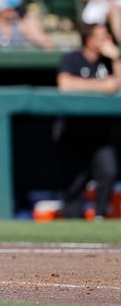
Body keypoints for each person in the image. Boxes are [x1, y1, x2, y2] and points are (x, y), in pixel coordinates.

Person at [55, 23, 120, 219]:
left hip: (100, 133)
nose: (106, 40)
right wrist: (102, 86)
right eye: (102, 37)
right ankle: (72, 219)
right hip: (73, 131)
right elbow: (65, 84)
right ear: (89, 40)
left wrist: (116, 57)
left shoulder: (108, 62)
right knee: (75, 181)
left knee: (109, 171)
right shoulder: (72, 59)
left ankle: (100, 215)